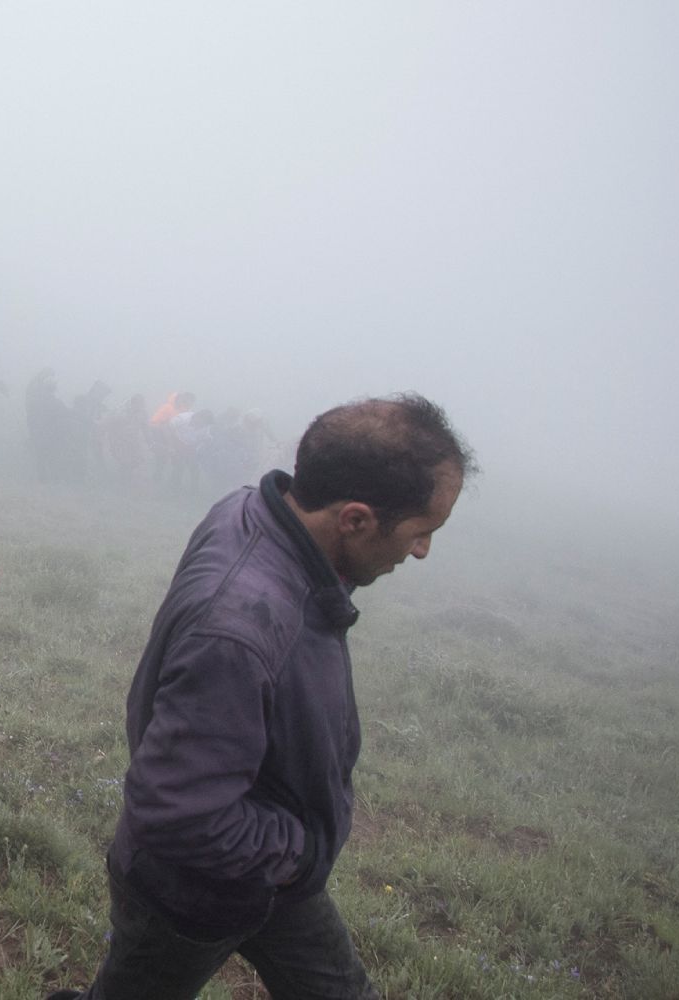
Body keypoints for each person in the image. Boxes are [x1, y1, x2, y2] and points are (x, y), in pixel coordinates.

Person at [48, 394, 474, 1000]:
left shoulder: (255, 512)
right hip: (192, 892)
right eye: (421, 532)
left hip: (268, 872)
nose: (423, 550)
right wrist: (299, 852)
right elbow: (178, 811)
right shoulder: (241, 627)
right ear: (354, 519)